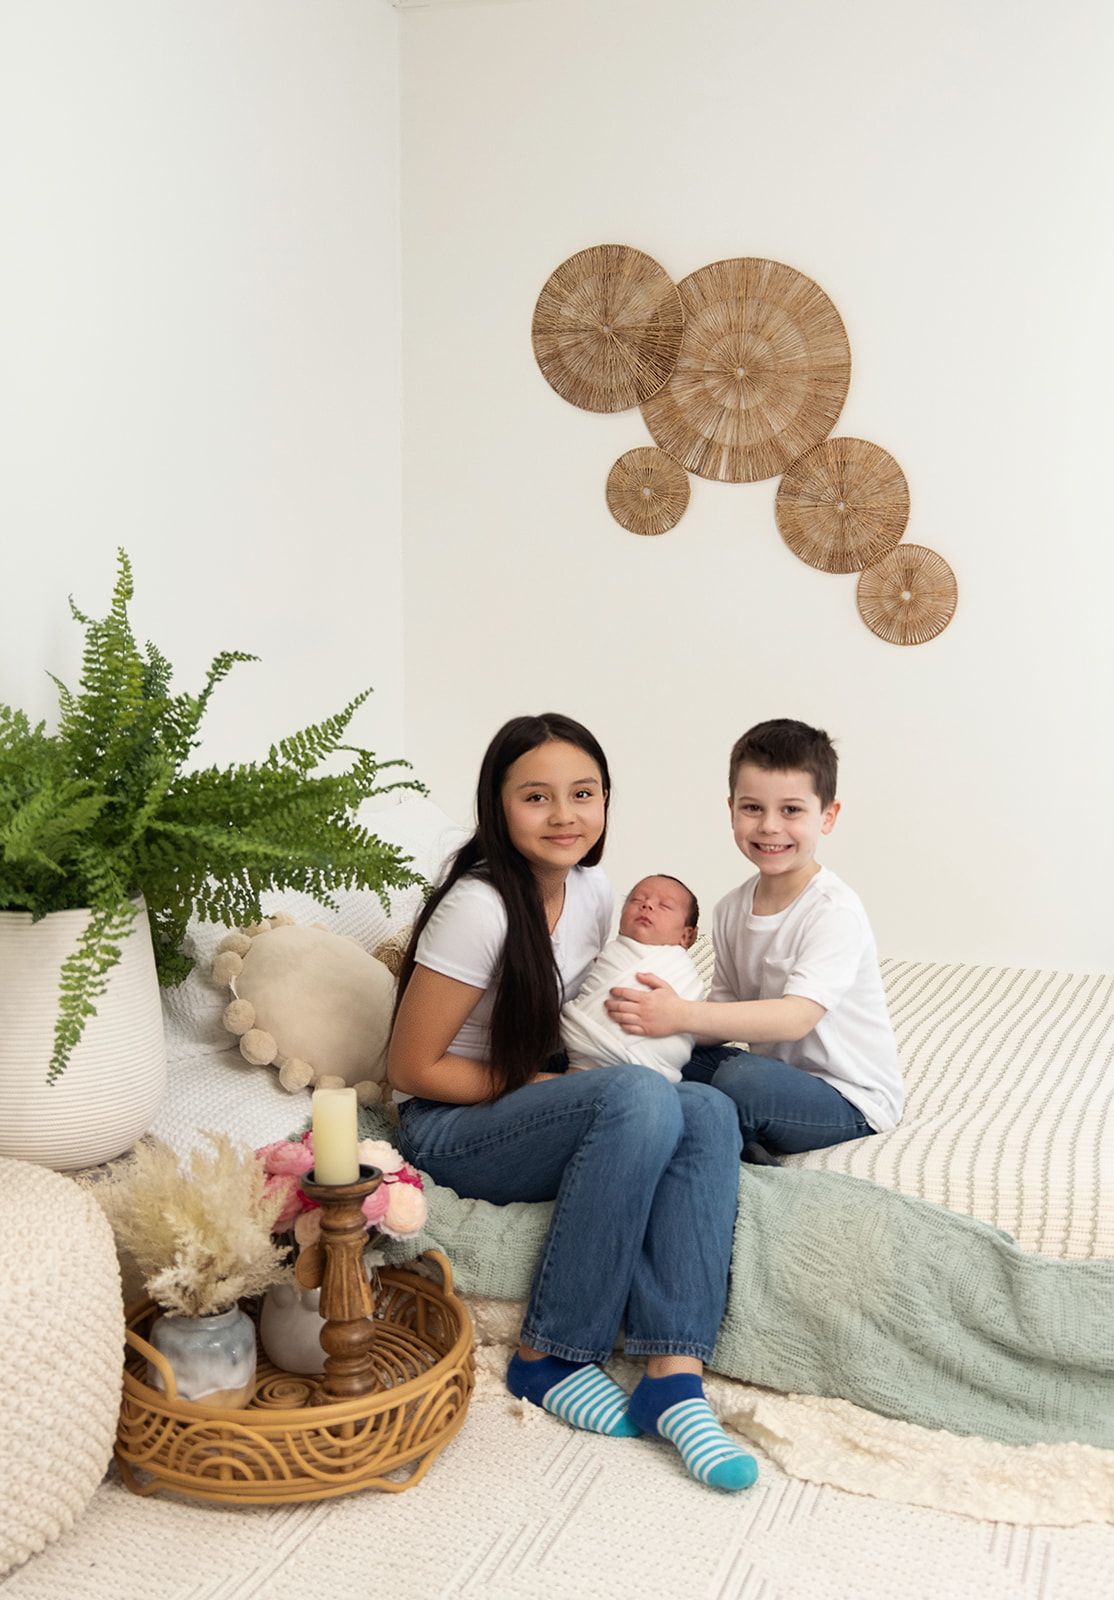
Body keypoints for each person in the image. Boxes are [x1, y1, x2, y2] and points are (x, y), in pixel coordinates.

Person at [388, 714, 756, 1492]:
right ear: (498, 805)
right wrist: (554, 1088)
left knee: (706, 1110)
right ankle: (549, 1356)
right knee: (637, 1099)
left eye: (582, 794)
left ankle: (673, 1375)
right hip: (450, 1123)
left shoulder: (594, 891)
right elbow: (413, 1067)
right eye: (536, 797)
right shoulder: (479, 906)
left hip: (537, 1099)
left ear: (606, 803)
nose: (564, 816)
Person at [605, 718, 903, 1164]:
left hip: (846, 1097)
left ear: (828, 816)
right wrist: (654, 1020)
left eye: (791, 810)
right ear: (731, 810)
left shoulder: (832, 911)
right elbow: (723, 1015)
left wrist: (681, 1013)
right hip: (774, 1075)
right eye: (752, 808)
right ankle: (722, 1129)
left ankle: (735, 1149)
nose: (769, 826)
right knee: (649, 1059)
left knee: (740, 1080)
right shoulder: (730, 909)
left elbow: (794, 1019)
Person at [561, 875, 704, 1082]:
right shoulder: (606, 954)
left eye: (664, 905)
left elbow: (690, 1021)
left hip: (652, 1069)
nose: (647, 905)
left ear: (687, 936)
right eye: (636, 900)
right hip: (583, 1060)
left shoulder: (681, 971)